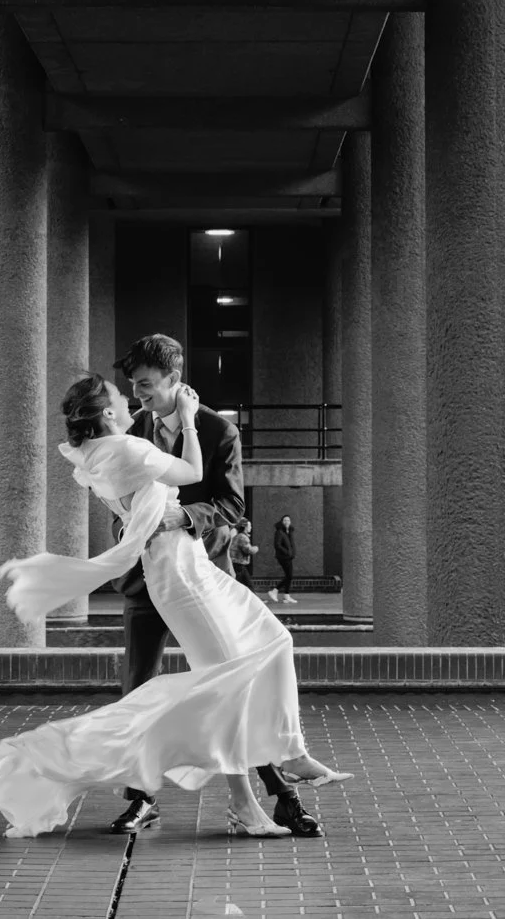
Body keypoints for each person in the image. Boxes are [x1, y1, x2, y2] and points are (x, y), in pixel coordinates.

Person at [0, 369, 350, 839]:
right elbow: (191, 474)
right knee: (223, 682)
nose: (133, 399)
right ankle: (257, 787)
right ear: (107, 413)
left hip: (193, 565)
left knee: (272, 642)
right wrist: (188, 421)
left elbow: (217, 503)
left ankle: (281, 765)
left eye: (140, 387)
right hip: (175, 576)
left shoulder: (95, 452)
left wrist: (170, 503)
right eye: (125, 393)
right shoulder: (130, 446)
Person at [110, 333, 326, 837]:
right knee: (137, 688)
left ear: (174, 380)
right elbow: (120, 505)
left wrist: (181, 516)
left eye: (146, 385)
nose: (138, 395)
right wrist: (126, 528)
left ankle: (283, 796)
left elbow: (231, 506)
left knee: (235, 684)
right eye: (133, 386)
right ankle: (141, 798)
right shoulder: (131, 431)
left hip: (202, 576)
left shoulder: (216, 430)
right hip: (144, 582)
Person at [269, 514, 297, 604]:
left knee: (289, 576)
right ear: (282, 522)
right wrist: (287, 552)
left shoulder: (289, 532)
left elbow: (291, 545)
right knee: (289, 576)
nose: (286, 522)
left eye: (288, 520)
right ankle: (275, 591)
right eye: (285, 520)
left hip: (289, 557)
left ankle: (286, 596)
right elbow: (277, 545)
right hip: (283, 557)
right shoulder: (279, 532)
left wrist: (292, 553)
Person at [229, 520, 259, 591]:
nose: (251, 527)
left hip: (236, 563)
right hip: (239, 564)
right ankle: (253, 601)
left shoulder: (239, 535)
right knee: (248, 585)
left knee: (238, 584)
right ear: (245, 527)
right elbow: (248, 550)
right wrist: (256, 548)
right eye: (249, 525)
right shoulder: (243, 537)